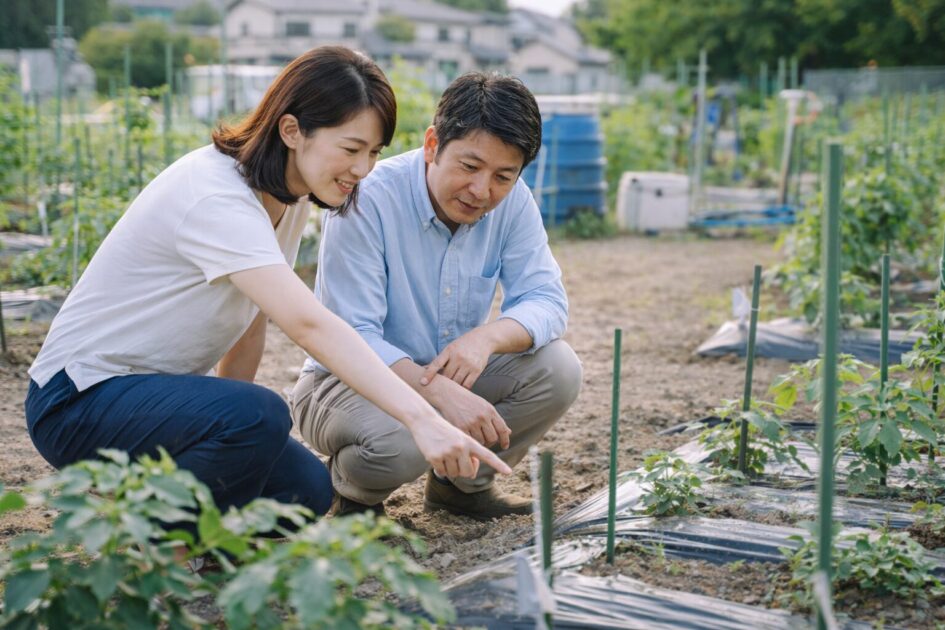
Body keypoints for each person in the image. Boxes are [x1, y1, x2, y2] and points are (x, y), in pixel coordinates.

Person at [24, 47, 508, 524]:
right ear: (292, 130)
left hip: (148, 398)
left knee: (304, 493)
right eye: (351, 149)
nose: (363, 169)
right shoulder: (216, 196)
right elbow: (307, 324)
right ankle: (168, 545)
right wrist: (423, 418)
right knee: (261, 413)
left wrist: (235, 441)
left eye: (374, 152)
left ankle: (157, 504)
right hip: (78, 399)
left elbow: (250, 322)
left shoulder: (285, 197)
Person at [290, 72, 583, 520]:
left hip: (441, 371)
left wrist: (485, 339)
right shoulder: (367, 199)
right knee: (406, 434)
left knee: (558, 370)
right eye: (469, 166)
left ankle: (460, 490)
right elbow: (353, 336)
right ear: (432, 145)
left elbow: (546, 298)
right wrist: (438, 394)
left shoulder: (513, 202)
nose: (481, 191)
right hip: (343, 380)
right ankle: (353, 495)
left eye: (503, 176)